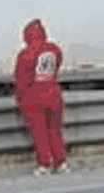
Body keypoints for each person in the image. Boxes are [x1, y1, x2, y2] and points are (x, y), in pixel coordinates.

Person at [12, 18, 68, 175]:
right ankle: (60, 161)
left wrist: (20, 100)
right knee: (55, 130)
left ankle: (45, 163)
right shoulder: (53, 50)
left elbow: (21, 80)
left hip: (35, 98)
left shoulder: (25, 54)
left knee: (39, 132)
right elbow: (57, 66)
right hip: (54, 95)